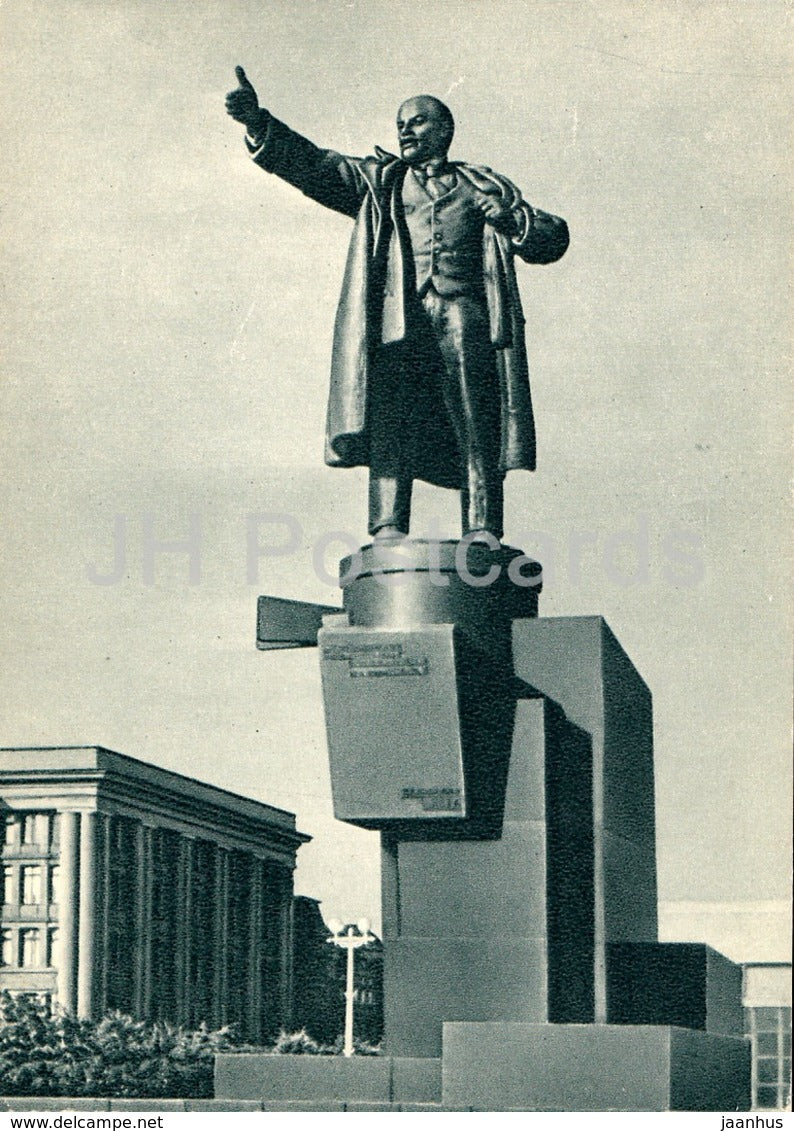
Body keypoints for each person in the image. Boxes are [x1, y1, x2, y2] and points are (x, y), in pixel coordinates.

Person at [226, 68, 568, 543]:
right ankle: (387, 526)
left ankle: (482, 527)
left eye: (417, 121)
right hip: (399, 317)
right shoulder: (380, 182)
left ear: (444, 130)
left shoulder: (483, 186)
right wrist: (259, 124)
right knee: (390, 411)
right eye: (400, 123)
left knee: (477, 415)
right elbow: (318, 167)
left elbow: (552, 237)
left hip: (466, 312)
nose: (404, 130)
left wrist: (512, 220)